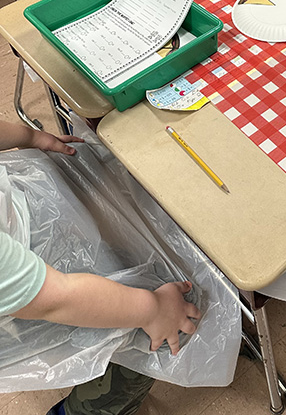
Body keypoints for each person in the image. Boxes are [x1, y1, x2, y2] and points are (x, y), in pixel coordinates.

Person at [0, 119, 201, 415]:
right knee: (154, 330)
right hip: (18, 310)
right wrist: (154, 308)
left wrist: (30, 136)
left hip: (18, 226)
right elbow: (58, 299)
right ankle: (90, 409)